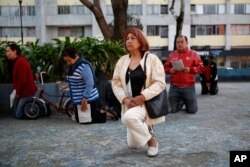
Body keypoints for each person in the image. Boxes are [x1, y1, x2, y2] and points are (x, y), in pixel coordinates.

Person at [112, 28, 166, 157]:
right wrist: (124, 99)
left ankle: (152, 142)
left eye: (133, 38)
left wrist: (143, 96)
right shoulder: (122, 60)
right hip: (129, 103)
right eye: (127, 39)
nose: (128, 41)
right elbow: (115, 82)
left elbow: (160, 83)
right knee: (133, 145)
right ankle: (146, 127)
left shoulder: (152, 59)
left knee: (128, 118)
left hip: (146, 103)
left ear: (141, 41)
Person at [62, 47, 106, 123]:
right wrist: (67, 85)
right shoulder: (73, 66)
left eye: (69, 60)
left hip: (88, 99)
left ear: (75, 56)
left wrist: (85, 99)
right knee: (81, 120)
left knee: (87, 121)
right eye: (67, 61)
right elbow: (75, 79)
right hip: (78, 99)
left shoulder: (83, 66)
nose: (68, 63)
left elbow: (90, 83)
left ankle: (108, 113)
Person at [164, 35, 203, 114]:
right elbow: (165, 68)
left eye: (182, 42)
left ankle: (186, 100)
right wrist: (170, 70)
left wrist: (190, 69)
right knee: (173, 110)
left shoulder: (194, 54)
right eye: (178, 42)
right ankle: (182, 100)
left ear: (187, 43)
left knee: (192, 110)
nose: (179, 44)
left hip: (188, 87)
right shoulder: (171, 55)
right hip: (174, 87)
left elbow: (201, 68)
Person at [6, 43, 37, 119]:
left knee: (18, 115)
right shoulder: (17, 61)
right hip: (22, 92)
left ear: (15, 51)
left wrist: (18, 93)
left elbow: (23, 80)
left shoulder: (20, 61)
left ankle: (36, 111)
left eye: (8, 51)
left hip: (27, 93)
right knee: (15, 113)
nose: (6, 53)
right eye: (6, 52)